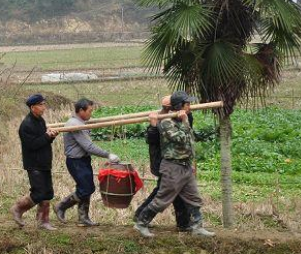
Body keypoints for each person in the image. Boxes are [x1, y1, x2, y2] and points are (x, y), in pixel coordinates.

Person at [133, 91, 215, 238]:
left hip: (185, 166)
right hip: (172, 167)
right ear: (179, 106)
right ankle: (141, 223)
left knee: (194, 198)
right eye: (187, 104)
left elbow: (191, 140)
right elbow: (181, 139)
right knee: (162, 199)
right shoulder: (166, 122)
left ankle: (197, 226)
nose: (190, 106)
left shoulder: (182, 119)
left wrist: (185, 120)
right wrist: (185, 122)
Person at [54, 98, 120, 226]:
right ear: (80, 111)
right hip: (76, 161)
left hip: (83, 160)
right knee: (86, 189)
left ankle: (83, 218)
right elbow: (88, 146)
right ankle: (61, 206)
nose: (91, 114)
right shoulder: (75, 124)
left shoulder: (81, 122)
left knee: (86, 188)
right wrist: (108, 154)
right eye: (89, 111)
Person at [133, 95, 193, 232]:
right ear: (171, 107)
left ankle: (183, 222)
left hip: (175, 162)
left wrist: (187, 116)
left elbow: (188, 133)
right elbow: (152, 139)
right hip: (163, 163)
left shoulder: (176, 117)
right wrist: (153, 126)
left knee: (178, 190)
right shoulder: (161, 120)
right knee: (163, 191)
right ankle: (141, 217)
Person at [12, 94, 58, 230]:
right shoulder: (26, 125)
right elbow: (32, 145)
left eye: (44, 104)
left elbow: (43, 141)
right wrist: (46, 136)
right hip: (34, 164)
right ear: (33, 107)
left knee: (48, 192)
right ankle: (18, 208)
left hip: (44, 161)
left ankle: (43, 221)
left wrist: (51, 137)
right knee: (38, 192)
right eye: (41, 105)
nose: (44, 108)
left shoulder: (41, 121)